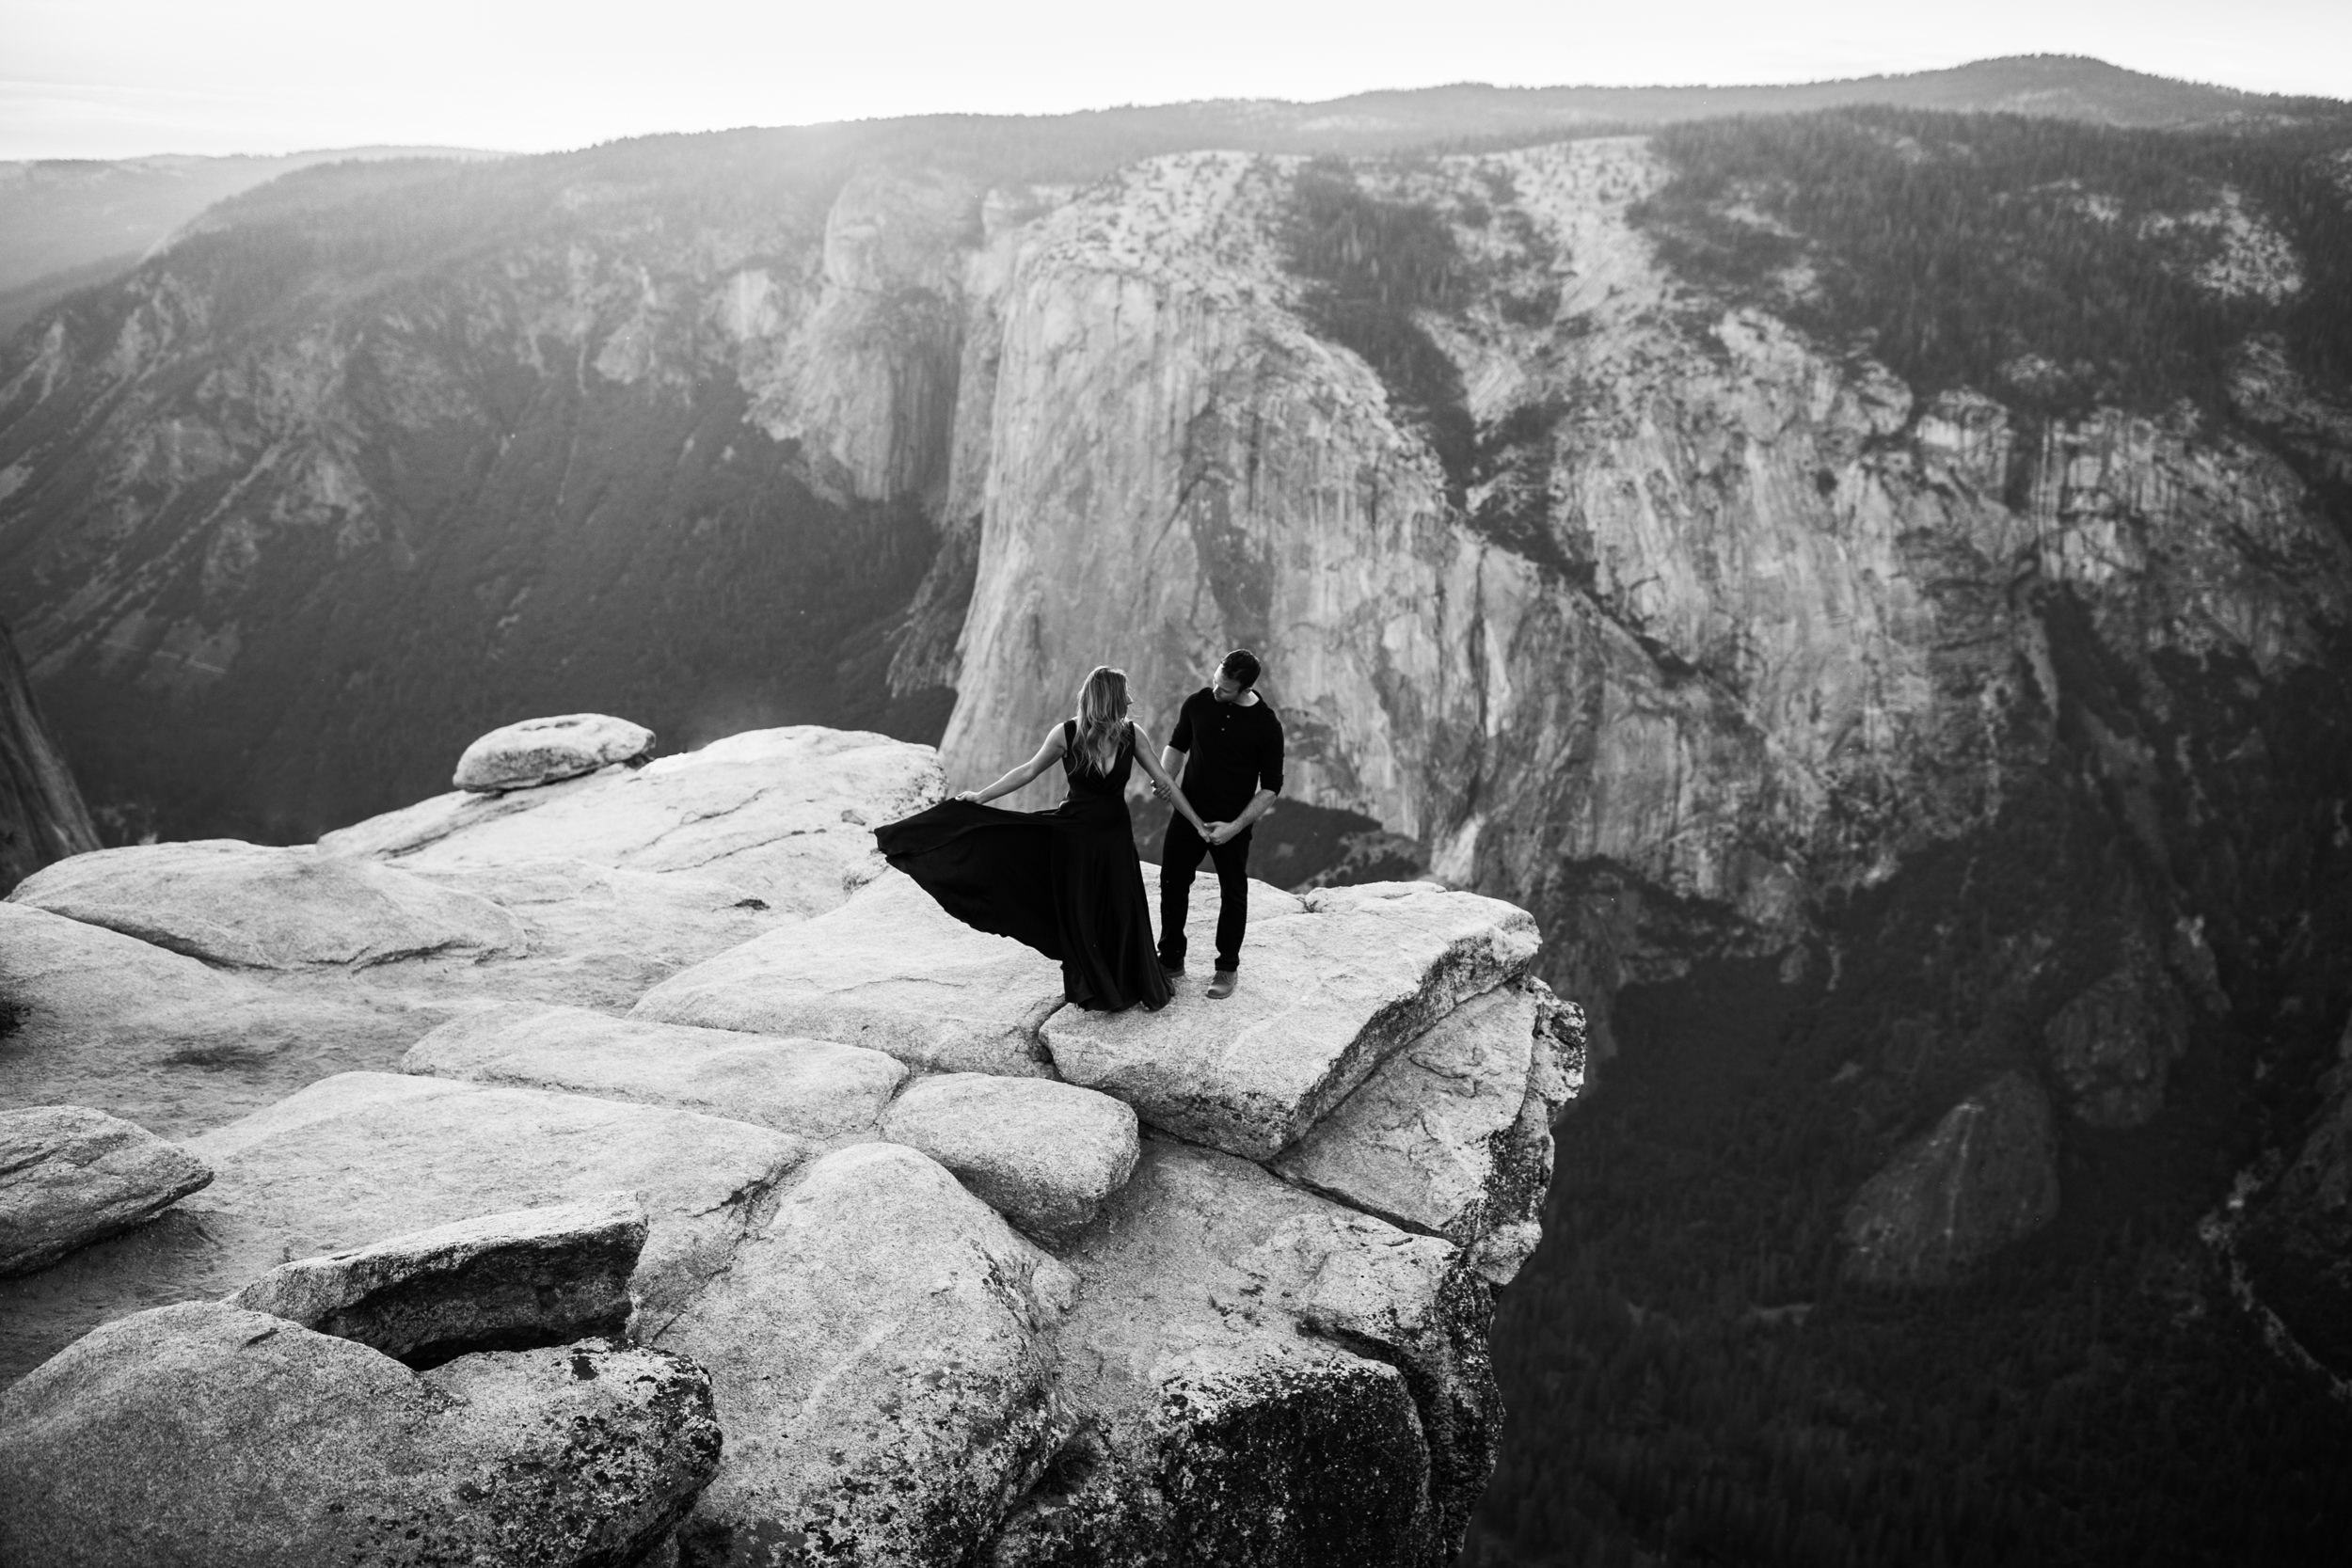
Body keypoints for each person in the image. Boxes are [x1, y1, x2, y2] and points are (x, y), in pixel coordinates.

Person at [874, 665, 1212, 1013]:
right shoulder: (1080, 734)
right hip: (1089, 836)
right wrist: (982, 798)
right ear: (1111, 699)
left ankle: (1112, 984)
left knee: (1108, 909)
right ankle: (1111, 984)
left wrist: (1199, 824)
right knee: (1104, 909)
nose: (1131, 699)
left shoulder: (1121, 734)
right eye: (1125, 693)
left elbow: (1165, 782)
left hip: (1102, 838)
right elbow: (1029, 771)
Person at [1152, 649, 1283, 1000]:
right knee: (1173, 882)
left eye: (1224, 689)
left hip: (1231, 823)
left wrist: (1235, 826)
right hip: (1187, 814)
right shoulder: (1198, 703)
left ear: (1245, 689)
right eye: (1215, 681)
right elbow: (1177, 745)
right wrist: (1166, 778)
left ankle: (1227, 968)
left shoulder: (1266, 725)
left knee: (1233, 892)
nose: (1216, 692)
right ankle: (1170, 960)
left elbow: (1271, 788)